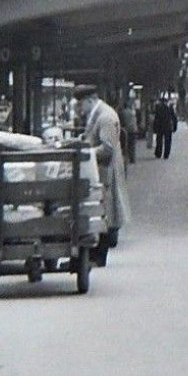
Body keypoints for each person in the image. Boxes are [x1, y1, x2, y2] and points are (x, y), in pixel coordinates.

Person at [74, 84, 130, 266]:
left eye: (81, 105)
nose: (79, 110)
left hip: (106, 171)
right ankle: (94, 256)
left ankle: (99, 257)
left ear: (90, 100)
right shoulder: (98, 113)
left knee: (105, 214)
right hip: (100, 171)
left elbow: (107, 149)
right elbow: (90, 137)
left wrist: (85, 153)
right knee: (102, 212)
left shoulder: (106, 117)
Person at [151, 94, 178, 160]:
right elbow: (174, 118)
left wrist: (154, 128)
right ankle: (166, 155)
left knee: (159, 140)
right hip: (168, 127)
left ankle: (158, 153)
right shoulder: (170, 108)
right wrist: (175, 127)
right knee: (168, 141)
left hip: (160, 127)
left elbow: (156, 118)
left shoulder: (158, 108)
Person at [118, 98, 139, 166]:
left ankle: (125, 158)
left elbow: (121, 122)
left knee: (125, 145)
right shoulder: (132, 112)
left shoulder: (122, 113)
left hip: (126, 131)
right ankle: (132, 159)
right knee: (132, 145)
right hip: (134, 130)